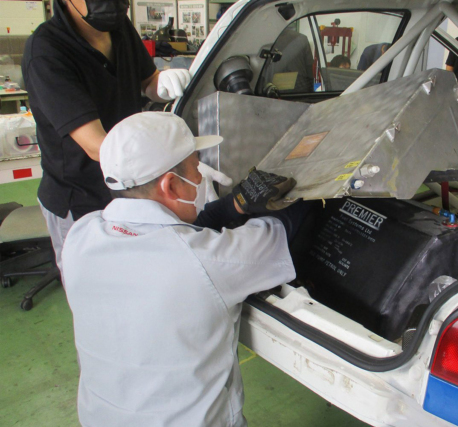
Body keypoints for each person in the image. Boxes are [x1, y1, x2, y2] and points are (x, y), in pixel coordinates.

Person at [62, 112, 307, 426]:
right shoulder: (206, 263)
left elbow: (176, 237)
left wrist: (234, 204)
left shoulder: (81, 235)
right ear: (170, 184)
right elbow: (280, 231)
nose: (201, 178)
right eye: (196, 167)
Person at [22, 0, 192, 271]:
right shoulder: (46, 51)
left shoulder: (120, 28)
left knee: (135, 273)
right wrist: (174, 159)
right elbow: (96, 146)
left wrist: (162, 84)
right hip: (80, 196)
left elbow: (148, 81)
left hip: (127, 189)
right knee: (94, 282)